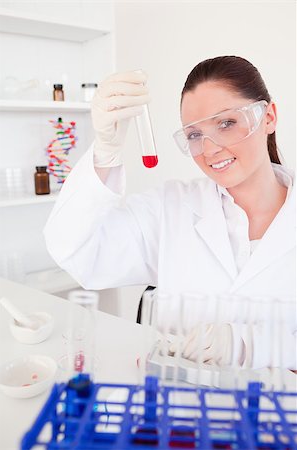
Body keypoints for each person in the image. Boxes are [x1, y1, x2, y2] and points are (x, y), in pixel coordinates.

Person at [44, 56, 296, 370]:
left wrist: (248, 345)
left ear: (268, 117)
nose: (209, 149)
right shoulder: (170, 208)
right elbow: (77, 253)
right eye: (193, 135)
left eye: (226, 123)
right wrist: (105, 152)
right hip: (177, 408)